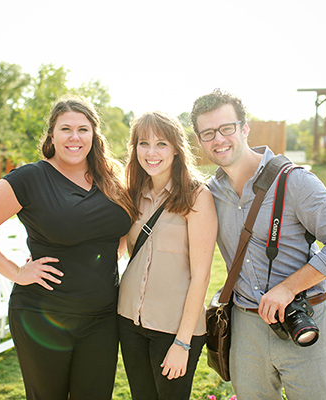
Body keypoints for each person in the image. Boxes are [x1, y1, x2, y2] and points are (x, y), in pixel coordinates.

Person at [0, 97, 134, 400]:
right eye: (65, 129)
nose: (74, 137)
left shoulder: (110, 179)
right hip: (43, 314)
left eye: (83, 129)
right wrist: (16, 272)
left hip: (102, 317)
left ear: (94, 134)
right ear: (52, 135)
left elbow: (119, 227)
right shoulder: (30, 178)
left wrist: (109, 252)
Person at [190, 89, 326, 400]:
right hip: (246, 329)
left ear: (244, 128)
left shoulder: (295, 182)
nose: (219, 139)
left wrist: (288, 288)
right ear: (200, 140)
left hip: (304, 318)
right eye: (208, 133)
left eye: (227, 128)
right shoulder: (208, 194)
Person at [118, 111, 218, 400]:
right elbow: (114, 248)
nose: (151, 152)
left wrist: (183, 344)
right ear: (134, 148)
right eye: (143, 143)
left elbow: (201, 275)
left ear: (176, 148)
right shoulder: (131, 194)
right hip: (129, 320)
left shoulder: (197, 197)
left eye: (161, 144)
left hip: (175, 329)